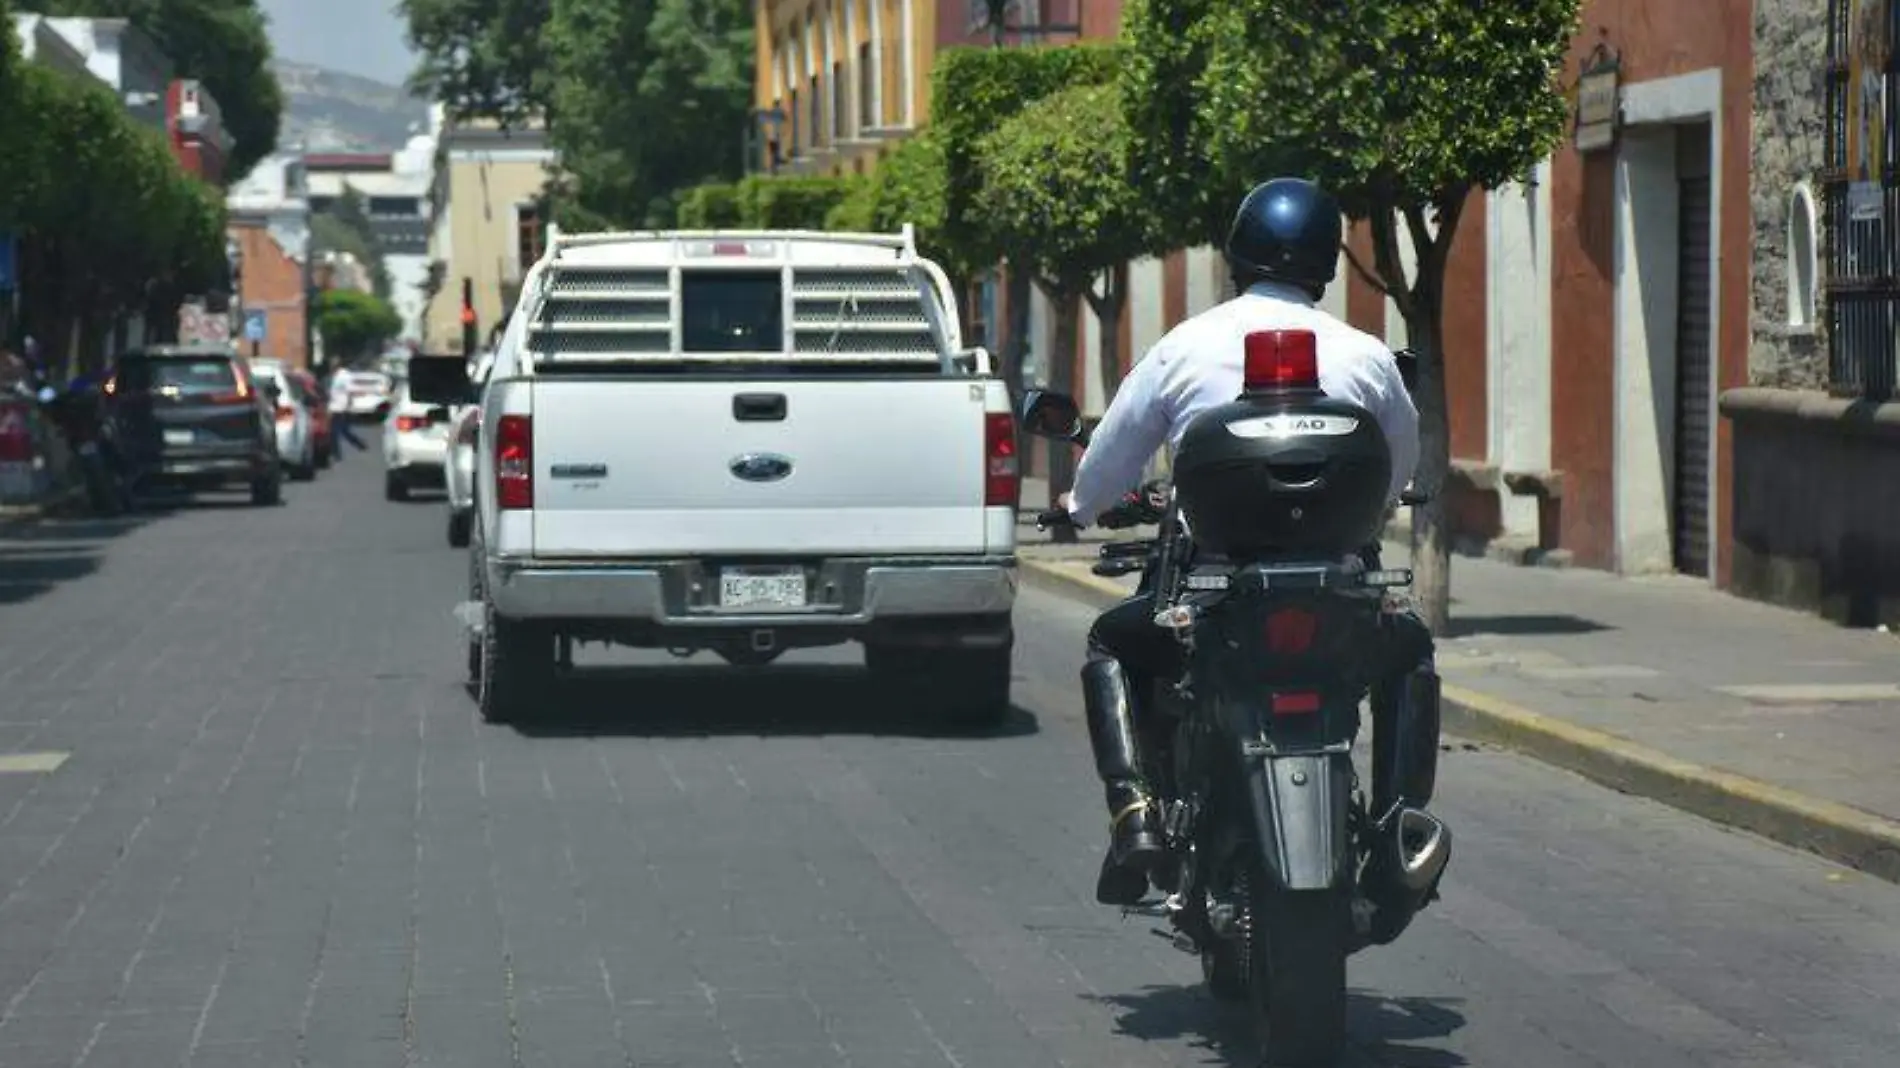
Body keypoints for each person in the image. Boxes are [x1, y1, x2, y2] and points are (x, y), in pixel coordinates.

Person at [1054, 177, 1428, 906]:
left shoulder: (1184, 347)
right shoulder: (1365, 355)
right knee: (1408, 651)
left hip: (1215, 584)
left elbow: (1112, 459)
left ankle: (1134, 816)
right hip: (1337, 583)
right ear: (1326, 262)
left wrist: (1081, 505)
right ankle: (1396, 826)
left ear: (1237, 255)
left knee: (1113, 642)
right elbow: (1399, 464)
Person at [327, 364, 367, 452]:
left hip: (339, 408)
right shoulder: (338, 376)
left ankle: (335, 452)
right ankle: (359, 444)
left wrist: (360, 392)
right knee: (342, 430)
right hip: (337, 407)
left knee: (335, 431)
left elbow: (350, 388)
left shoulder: (343, 376)